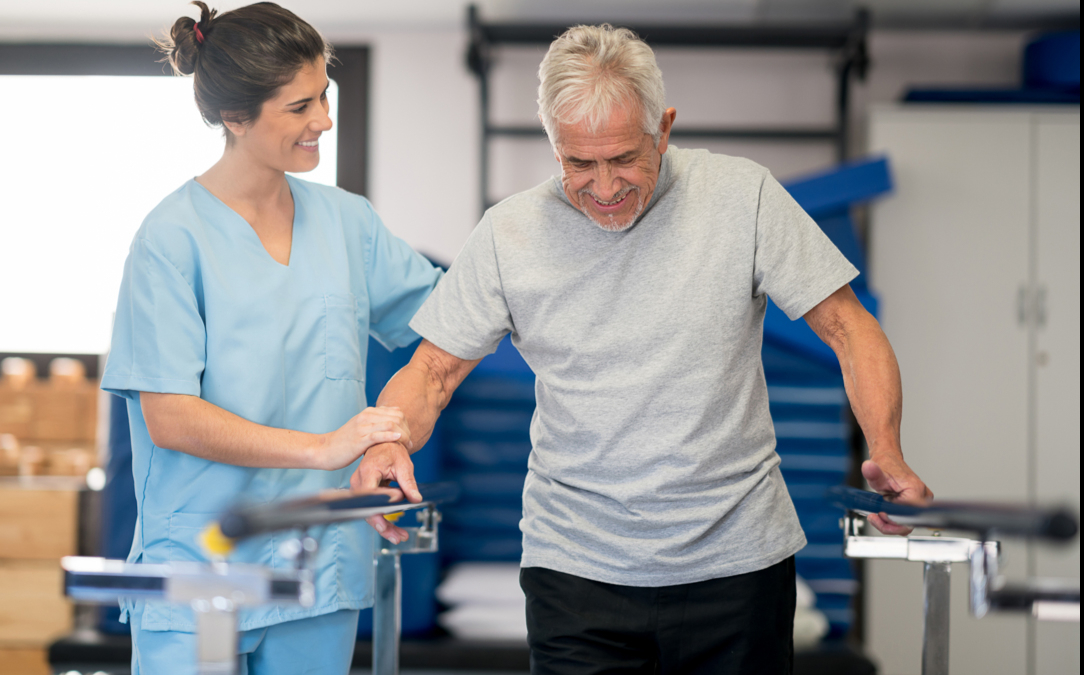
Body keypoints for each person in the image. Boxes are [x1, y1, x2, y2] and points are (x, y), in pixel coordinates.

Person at [353, 24, 931, 675]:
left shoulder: (743, 198)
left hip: (736, 565)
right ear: (553, 146)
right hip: (575, 571)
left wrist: (885, 448)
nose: (604, 188)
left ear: (665, 127)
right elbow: (431, 369)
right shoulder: (507, 234)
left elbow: (848, 327)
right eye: (578, 163)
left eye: (624, 158)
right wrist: (387, 442)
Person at [99, 3, 439, 673]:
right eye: (299, 106)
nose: (324, 121)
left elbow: (448, 324)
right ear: (235, 117)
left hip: (319, 562)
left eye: (326, 95)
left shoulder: (348, 224)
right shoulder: (170, 239)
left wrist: (395, 433)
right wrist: (327, 448)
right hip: (202, 566)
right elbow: (169, 416)